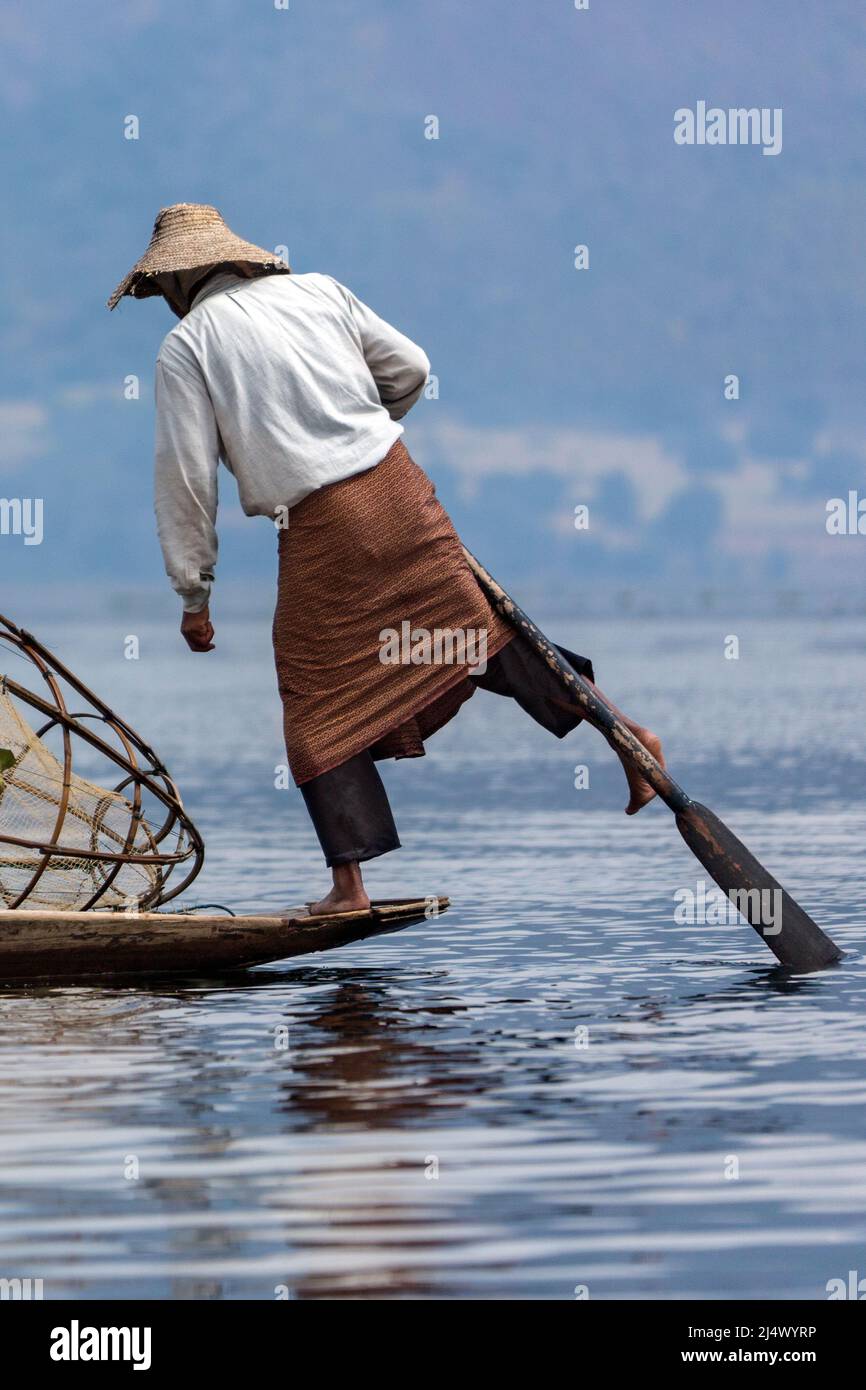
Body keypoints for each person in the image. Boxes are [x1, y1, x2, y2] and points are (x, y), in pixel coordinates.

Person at [108, 203, 664, 915]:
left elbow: (186, 479)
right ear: (239, 258)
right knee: (478, 635)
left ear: (178, 283)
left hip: (322, 522)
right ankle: (628, 734)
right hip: (399, 486)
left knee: (314, 690)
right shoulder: (319, 290)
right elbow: (412, 368)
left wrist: (194, 594)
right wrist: (362, 427)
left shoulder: (187, 347)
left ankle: (349, 885)